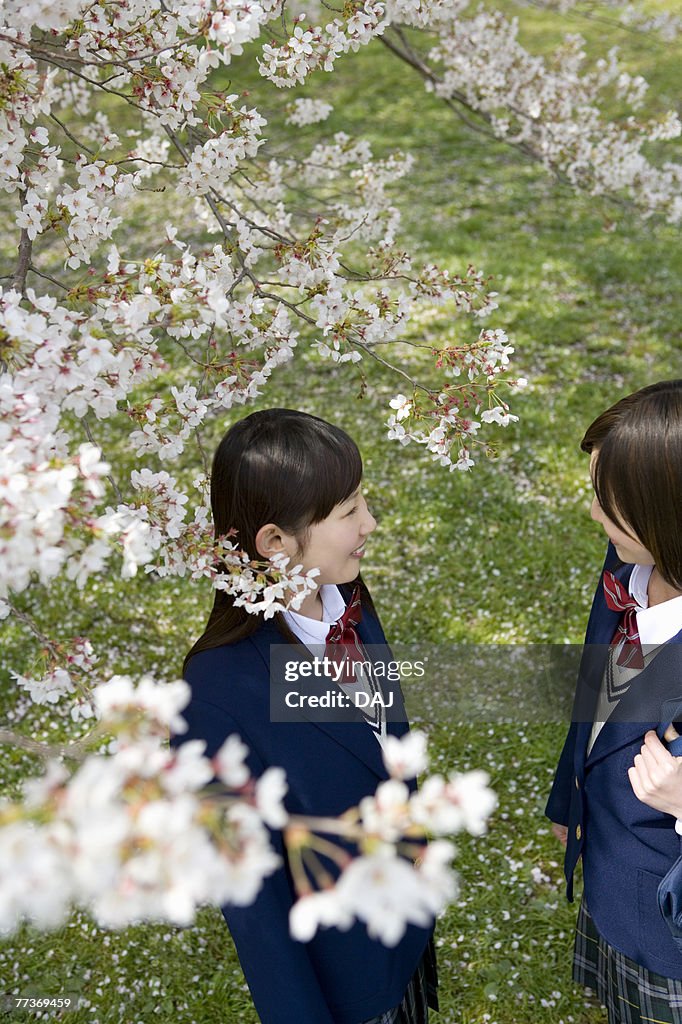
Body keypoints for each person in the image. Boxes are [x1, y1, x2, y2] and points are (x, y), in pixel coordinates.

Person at [172, 408, 438, 1024]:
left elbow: (380, 737)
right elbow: (255, 911)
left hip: (404, 937)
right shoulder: (215, 696)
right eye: (348, 513)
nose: (370, 522)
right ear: (274, 543)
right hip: (345, 983)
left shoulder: (347, 598)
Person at [546, 379, 682, 1024]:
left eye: (607, 499)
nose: (593, 513)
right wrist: (567, 796)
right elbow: (596, 691)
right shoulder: (628, 560)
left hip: (668, 932)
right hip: (609, 883)